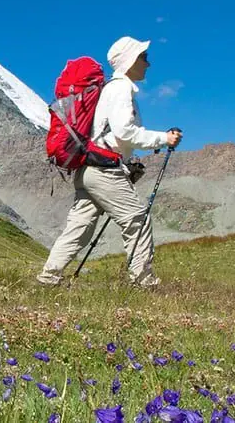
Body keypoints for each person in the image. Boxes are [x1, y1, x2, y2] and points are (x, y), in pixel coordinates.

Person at [37, 37, 181, 287]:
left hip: (88, 170)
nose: (148, 63)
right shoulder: (120, 89)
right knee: (137, 219)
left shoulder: (110, 90)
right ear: (130, 61)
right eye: (143, 58)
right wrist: (164, 138)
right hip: (104, 170)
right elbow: (124, 132)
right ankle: (144, 282)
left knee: (80, 226)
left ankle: (48, 278)